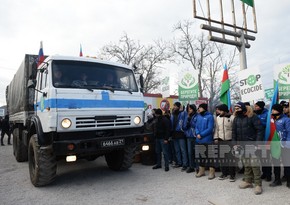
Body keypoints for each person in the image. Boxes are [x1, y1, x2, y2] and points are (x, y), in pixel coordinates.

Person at [232, 102, 264, 195]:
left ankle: (258, 184)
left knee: (254, 164)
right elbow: (234, 132)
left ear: (243, 108)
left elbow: (260, 130)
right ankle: (248, 181)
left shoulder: (252, 117)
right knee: (246, 164)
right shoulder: (236, 119)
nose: (236, 110)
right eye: (235, 109)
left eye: (238, 108)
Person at [269, 104, 290, 188]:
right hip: (275, 145)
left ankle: (288, 179)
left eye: (274, 109)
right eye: (272, 109)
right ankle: (277, 180)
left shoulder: (286, 120)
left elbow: (289, 132)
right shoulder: (271, 120)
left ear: (279, 110)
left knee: (287, 163)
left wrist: (287, 144)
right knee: (276, 163)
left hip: (284, 144)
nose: (272, 111)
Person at [214, 104, 236, 182]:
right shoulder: (217, 118)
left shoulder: (232, 118)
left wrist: (234, 140)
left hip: (229, 140)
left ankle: (232, 174)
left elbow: (234, 130)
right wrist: (216, 138)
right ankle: (224, 173)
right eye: (218, 110)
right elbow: (217, 129)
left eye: (220, 110)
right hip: (221, 139)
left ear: (224, 110)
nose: (219, 112)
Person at [195, 103, 215, 180]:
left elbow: (210, 129)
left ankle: (211, 172)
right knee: (200, 156)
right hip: (198, 140)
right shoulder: (198, 116)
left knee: (209, 156)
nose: (198, 109)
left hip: (207, 140)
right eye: (198, 108)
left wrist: (201, 134)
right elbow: (196, 126)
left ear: (204, 108)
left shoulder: (210, 117)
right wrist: (197, 133)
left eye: (200, 107)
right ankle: (201, 171)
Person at [254, 101, 272, 182]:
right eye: (255, 106)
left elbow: (268, 124)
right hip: (259, 139)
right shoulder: (255, 114)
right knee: (261, 157)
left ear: (261, 106)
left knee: (266, 157)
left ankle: (269, 175)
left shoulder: (267, 113)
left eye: (257, 106)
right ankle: (264, 173)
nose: (255, 107)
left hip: (266, 138)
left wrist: (259, 122)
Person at [170, 102, 188, 171]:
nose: (174, 107)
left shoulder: (183, 113)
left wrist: (183, 129)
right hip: (174, 134)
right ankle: (179, 162)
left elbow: (185, 122)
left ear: (178, 106)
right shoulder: (173, 114)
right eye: (174, 106)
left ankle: (185, 164)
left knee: (183, 150)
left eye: (175, 106)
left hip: (181, 133)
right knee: (177, 150)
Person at [183, 104, 198, 173]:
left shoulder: (197, 116)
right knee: (190, 152)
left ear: (194, 109)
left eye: (190, 109)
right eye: (188, 109)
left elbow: (196, 125)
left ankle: (198, 167)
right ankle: (191, 166)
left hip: (195, 136)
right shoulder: (187, 116)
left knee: (196, 152)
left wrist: (190, 121)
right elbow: (184, 127)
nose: (189, 110)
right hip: (189, 136)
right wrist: (187, 121)